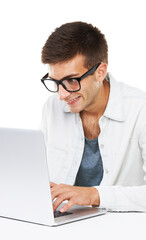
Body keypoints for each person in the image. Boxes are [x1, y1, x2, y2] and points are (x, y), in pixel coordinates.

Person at [40, 21, 146, 213]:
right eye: (55, 82)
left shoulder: (140, 109)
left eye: (72, 81)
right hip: (63, 226)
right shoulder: (52, 108)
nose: (61, 95)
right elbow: (37, 178)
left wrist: (94, 195)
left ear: (100, 72)